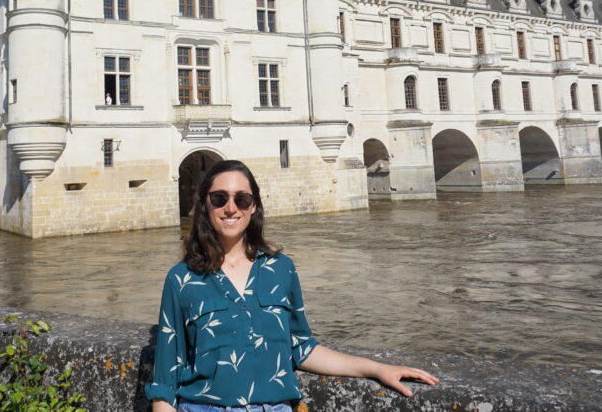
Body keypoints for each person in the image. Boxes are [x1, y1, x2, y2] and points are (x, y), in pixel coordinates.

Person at [146, 160, 437, 411]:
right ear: (206, 204)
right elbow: (165, 378)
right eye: (219, 198)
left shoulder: (280, 269)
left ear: (254, 206)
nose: (231, 208)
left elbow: (301, 347)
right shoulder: (182, 278)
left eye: (242, 199)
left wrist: (376, 368)